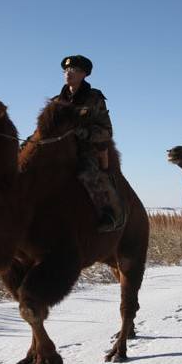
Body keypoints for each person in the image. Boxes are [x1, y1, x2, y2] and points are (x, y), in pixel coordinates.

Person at [52, 55, 120, 232]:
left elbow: (107, 131)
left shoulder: (94, 99)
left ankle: (107, 213)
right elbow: (44, 129)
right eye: (65, 70)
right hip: (57, 150)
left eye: (73, 70)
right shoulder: (55, 102)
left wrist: (83, 133)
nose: (68, 73)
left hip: (85, 149)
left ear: (84, 74)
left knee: (87, 172)